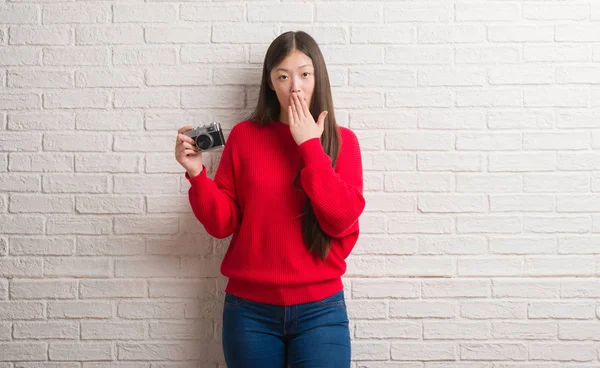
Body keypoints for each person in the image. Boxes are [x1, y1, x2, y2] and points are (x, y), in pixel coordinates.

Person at [174, 31, 365, 368]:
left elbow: (342, 218)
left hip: (321, 310)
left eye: (305, 74)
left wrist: (309, 147)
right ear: (270, 83)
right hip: (250, 312)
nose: (295, 86)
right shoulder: (245, 137)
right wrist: (196, 175)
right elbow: (222, 225)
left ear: (318, 78)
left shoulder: (342, 141)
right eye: (283, 76)